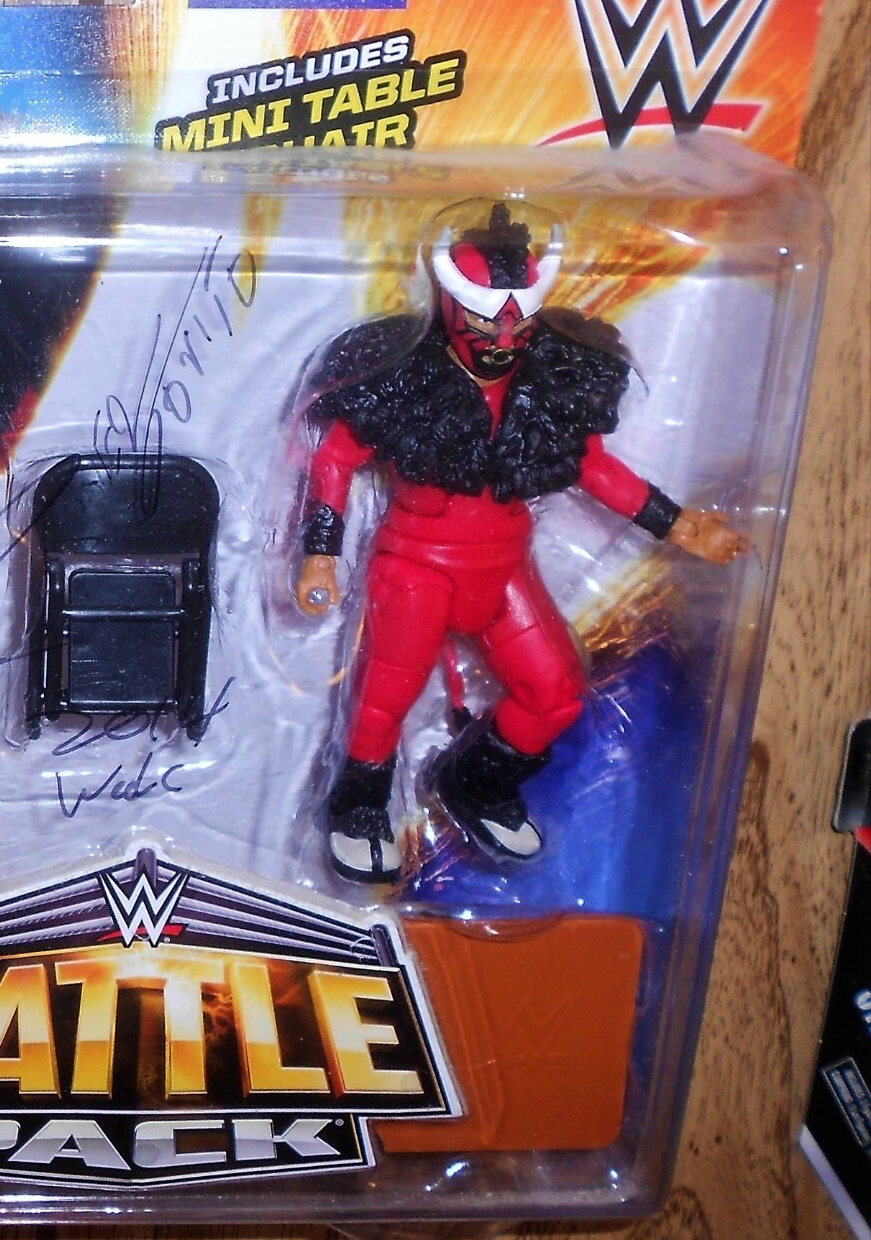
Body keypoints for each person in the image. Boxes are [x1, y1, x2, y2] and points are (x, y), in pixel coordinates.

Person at [296, 200, 747, 885]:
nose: (502, 337)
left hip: (503, 569)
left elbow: (593, 467)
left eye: (518, 322)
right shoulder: (406, 381)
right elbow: (335, 457)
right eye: (486, 320)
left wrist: (680, 524)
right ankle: (358, 808)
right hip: (417, 567)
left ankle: (478, 781)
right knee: (384, 699)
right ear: (450, 307)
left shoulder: (545, 387)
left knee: (556, 691)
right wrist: (320, 552)